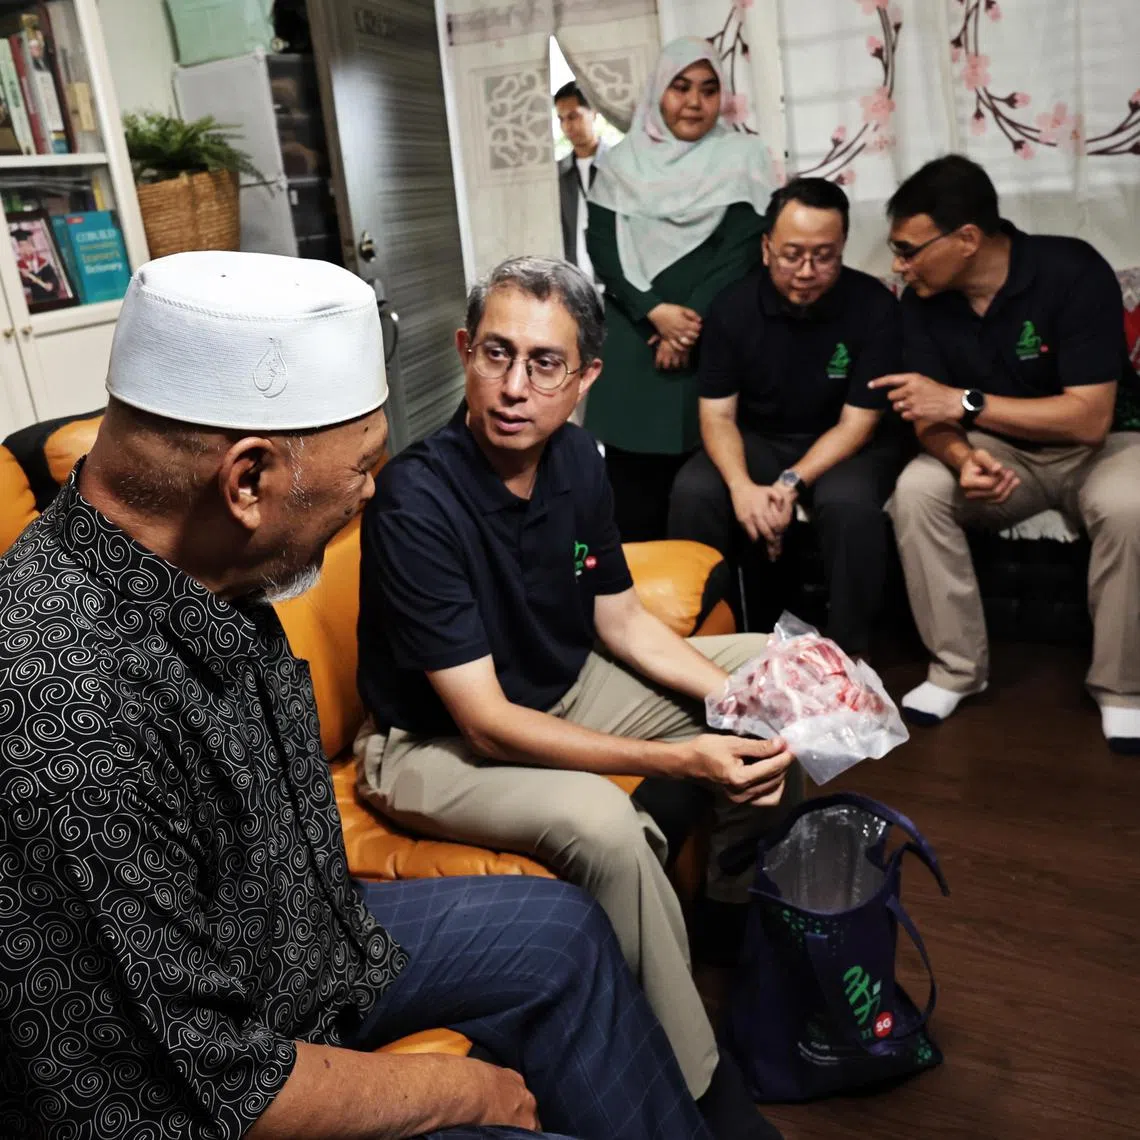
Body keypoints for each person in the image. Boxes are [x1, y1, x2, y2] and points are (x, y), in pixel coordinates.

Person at [0, 250, 721, 1140]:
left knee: (565, 931)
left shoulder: (212, 566)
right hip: (242, 1068)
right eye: (362, 466)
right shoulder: (66, 714)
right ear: (249, 480)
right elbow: (212, 1084)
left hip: (316, 942)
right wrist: (470, 1092)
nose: (374, 490)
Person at [356, 254, 797, 1140]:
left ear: (586, 376)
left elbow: (623, 621)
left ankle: (723, 901)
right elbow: (484, 722)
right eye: (495, 354)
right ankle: (701, 1091)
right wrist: (680, 756)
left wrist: (739, 700)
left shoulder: (575, 461)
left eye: (545, 364)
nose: (515, 387)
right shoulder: (416, 499)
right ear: (463, 352)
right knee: (602, 823)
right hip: (434, 745)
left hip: (563, 687)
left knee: (773, 672)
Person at [872, 154, 1140, 752]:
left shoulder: (1071, 270)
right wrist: (963, 459)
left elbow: (1090, 418)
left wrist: (963, 405)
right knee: (916, 491)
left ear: (966, 238)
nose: (900, 264)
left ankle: (1122, 688)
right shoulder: (920, 301)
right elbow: (927, 412)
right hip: (997, 450)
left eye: (910, 249)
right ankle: (956, 670)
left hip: (1102, 447)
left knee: (1131, 506)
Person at [667, 178, 901, 658]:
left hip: (845, 445)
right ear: (767, 248)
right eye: (793, 254)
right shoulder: (733, 308)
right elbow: (717, 415)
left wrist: (788, 484)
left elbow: (857, 424)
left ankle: (848, 659)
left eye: (824, 256)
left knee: (849, 504)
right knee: (695, 491)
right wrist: (742, 488)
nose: (807, 271)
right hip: (760, 438)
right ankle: (706, 652)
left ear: (842, 249)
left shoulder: (874, 306)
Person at [584, 38, 776, 541]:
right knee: (633, 502)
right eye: (681, 87)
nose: (694, 102)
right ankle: (638, 610)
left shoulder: (745, 155)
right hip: (634, 340)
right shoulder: (620, 163)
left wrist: (685, 322)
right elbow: (602, 247)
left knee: (707, 493)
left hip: (713, 339)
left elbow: (744, 247)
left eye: (709, 90)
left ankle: (720, 611)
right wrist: (654, 312)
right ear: (658, 92)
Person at [554, 82, 608, 280]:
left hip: (619, 286)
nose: (567, 126)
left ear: (593, 113)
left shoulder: (618, 165)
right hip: (576, 281)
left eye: (573, 116)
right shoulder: (557, 174)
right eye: (561, 119)